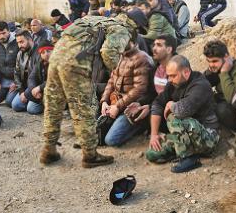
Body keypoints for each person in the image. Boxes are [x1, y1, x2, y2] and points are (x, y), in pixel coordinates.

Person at [38, 10, 147, 167]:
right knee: (84, 109)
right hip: (76, 63)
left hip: (56, 58)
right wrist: (118, 74)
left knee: (53, 105)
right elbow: (108, 52)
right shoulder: (122, 28)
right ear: (134, 25)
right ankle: (90, 155)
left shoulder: (97, 20)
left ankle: (49, 149)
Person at [146, 55, 219, 173]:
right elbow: (157, 104)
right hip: (186, 135)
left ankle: (188, 158)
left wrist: (171, 104)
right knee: (152, 153)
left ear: (186, 72)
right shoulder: (173, 84)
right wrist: (154, 134)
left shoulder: (200, 84)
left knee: (172, 116)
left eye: (173, 75)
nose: (169, 79)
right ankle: (181, 151)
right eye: (168, 75)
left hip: (207, 137)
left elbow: (183, 110)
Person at [99, 38, 153, 146]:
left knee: (111, 140)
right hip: (117, 101)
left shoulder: (142, 58)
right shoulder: (120, 55)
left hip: (132, 107)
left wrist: (117, 107)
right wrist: (104, 101)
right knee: (98, 130)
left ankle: (140, 126)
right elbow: (111, 81)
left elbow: (139, 89)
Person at [11, 30, 40, 114]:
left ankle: (43, 103)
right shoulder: (20, 53)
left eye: (22, 42)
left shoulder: (40, 53)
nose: (19, 45)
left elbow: (39, 77)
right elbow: (16, 73)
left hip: (36, 87)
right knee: (15, 105)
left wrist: (28, 93)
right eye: (18, 43)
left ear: (30, 40)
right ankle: (29, 101)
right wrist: (21, 91)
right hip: (25, 86)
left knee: (31, 109)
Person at [0, 21, 19, 107]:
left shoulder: (17, 42)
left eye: (4, 33)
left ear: (9, 31)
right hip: (3, 80)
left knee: (9, 102)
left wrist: (17, 82)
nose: (2, 36)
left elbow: (22, 65)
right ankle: (5, 92)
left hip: (15, 80)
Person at [24, 44, 53, 116]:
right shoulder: (40, 63)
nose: (46, 54)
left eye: (48, 51)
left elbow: (54, 80)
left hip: (54, 91)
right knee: (28, 94)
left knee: (31, 108)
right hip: (43, 93)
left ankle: (52, 106)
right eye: (43, 52)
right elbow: (31, 78)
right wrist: (34, 89)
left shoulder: (57, 62)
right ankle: (47, 105)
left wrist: (40, 87)